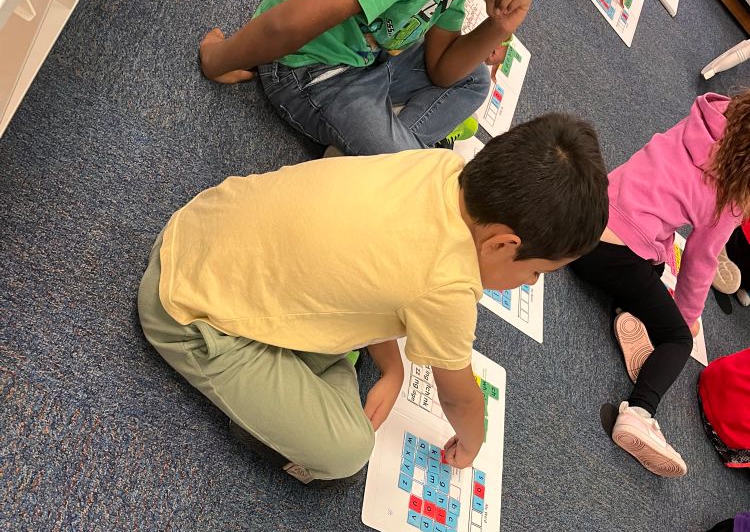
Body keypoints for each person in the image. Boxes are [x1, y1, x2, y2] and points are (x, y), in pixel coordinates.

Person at [137, 114, 608, 486]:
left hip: (201, 223)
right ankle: (305, 390)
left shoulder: (444, 168)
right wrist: (471, 446)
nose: (529, 284)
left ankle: (323, 361)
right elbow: (461, 399)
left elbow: (379, 263)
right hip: (184, 312)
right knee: (347, 450)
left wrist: (394, 366)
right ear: (502, 245)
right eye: (535, 273)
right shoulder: (449, 289)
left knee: (352, 323)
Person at [198, 0, 605, 156]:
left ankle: (373, 152)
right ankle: (377, 155)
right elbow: (290, 25)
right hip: (306, 67)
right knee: (411, 177)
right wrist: (220, 58)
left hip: (369, 57)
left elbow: (442, 70)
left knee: (476, 79)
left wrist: (496, 27)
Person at [569, 91, 750, 478]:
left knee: (653, 264)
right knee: (679, 339)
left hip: (585, 217)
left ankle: (628, 314)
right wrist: (687, 318)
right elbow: (700, 260)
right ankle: (640, 412)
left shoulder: (706, 121)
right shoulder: (732, 195)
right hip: (615, 254)